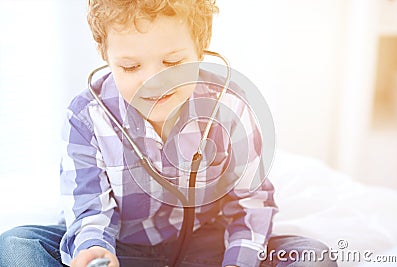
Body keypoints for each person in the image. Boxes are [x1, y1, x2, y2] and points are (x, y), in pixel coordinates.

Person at [0, 1, 337, 266]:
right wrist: (95, 254)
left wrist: (238, 263)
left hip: (206, 250)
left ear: (200, 52)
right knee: (17, 245)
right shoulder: (86, 117)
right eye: (131, 67)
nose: (153, 81)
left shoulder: (229, 109)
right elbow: (89, 212)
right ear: (106, 56)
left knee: (312, 254)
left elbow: (250, 204)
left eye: (173, 62)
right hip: (121, 250)